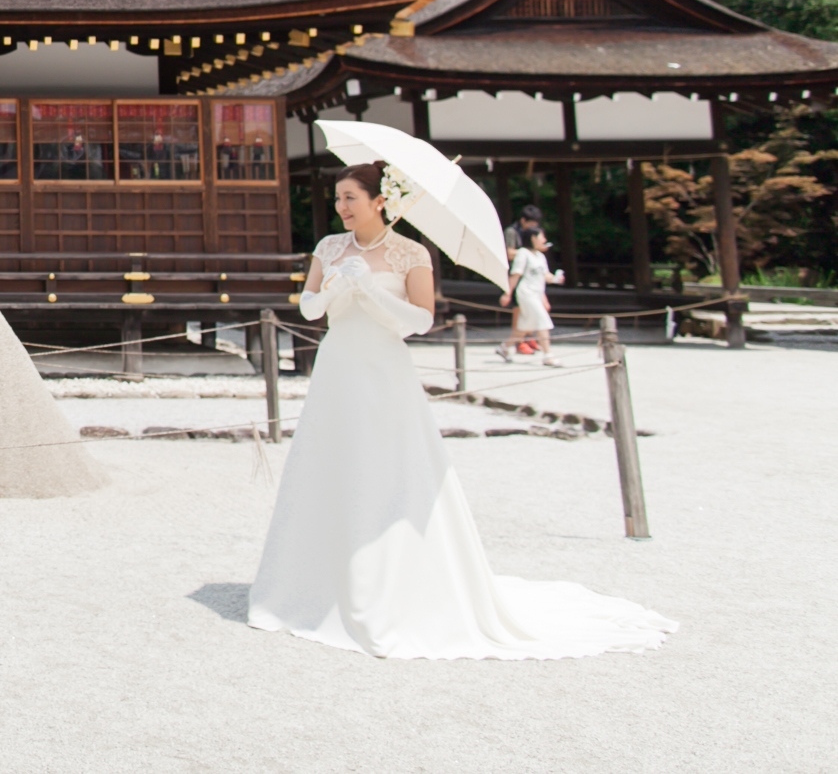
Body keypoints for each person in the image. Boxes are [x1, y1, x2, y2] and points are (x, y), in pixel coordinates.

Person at [248, 160, 674, 659]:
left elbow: (421, 321)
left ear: (380, 201)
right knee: (328, 463)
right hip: (338, 362)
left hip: (384, 368)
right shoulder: (329, 248)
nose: (341, 207)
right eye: (338, 197)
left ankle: (391, 579)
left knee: (389, 466)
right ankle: (313, 580)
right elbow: (308, 309)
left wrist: (368, 289)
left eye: (350, 198)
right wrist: (339, 285)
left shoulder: (411, 253)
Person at [500, 227, 564, 365]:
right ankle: (548, 355)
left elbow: (545, 276)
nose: (544, 240)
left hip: (536, 293)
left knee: (525, 327)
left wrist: (556, 279)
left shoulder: (540, 256)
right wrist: (508, 293)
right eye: (542, 237)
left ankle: (505, 347)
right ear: (533, 238)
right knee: (542, 321)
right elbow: (516, 274)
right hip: (526, 293)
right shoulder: (523, 254)